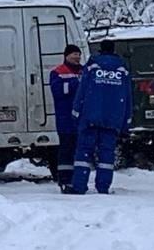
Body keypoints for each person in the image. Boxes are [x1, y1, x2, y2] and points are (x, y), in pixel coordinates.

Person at [68, 40, 133, 195]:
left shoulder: (93, 66)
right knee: (107, 154)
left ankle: (79, 186)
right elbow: (128, 95)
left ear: (100, 50)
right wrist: (126, 119)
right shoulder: (122, 69)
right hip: (113, 117)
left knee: (84, 152)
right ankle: (103, 186)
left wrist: (76, 111)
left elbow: (82, 90)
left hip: (90, 115)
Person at [49, 44, 85, 192]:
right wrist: (75, 83)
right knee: (66, 149)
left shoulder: (85, 71)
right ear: (66, 56)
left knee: (79, 150)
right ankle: (64, 180)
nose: (77, 57)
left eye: (79, 54)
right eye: (74, 54)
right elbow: (58, 91)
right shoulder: (58, 72)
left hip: (82, 118)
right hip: (65, 118)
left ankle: (78, 179)